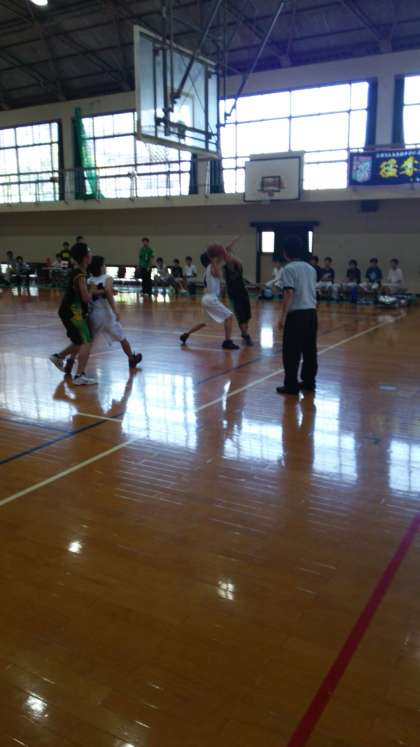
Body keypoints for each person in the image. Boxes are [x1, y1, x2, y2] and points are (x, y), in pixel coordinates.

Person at [49, 242, 101, 385]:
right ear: (85, 257)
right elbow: (85, 298)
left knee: (79, 342)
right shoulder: (79, 275)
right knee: (86, 341)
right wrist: (93, 290)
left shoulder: (79, 272)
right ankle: (79, 376)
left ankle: (58, 357)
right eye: (89, 252)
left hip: (70, 311)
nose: (91, 254)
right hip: (73, 312)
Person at [81, 255, 142, 371]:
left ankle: (75, 364)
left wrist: (101, 291)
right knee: (122, 338)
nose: (105, 266)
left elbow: (92, 294)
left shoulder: (89, 280)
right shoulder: (107, 278)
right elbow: (108, 290)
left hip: (94, 315)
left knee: (88, 343)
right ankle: (131, 358)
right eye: (104, 264)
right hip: (107, 314)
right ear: (100, 267)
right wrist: (115, 311)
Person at [276, 235, 317, 396]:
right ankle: (309, 382)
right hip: (311, 313)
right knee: (309, 350)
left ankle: (291, 385)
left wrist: (282, 317)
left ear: (285, 252)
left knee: (291, 352)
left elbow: (289, 293)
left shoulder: (289, 269)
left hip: (297, 315)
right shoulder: (311, 268)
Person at [180, 244, 239, 350]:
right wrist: (223, 251)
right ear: (211, 258)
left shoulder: (207, 270)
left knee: (204, 322)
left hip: (206, 299)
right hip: (210, 299)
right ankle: (227, 342)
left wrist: (227, 248)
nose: (217, 258)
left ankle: (186, 334)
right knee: (229, 316)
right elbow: (220, 263)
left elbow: (221, 257)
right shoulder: (212, 267)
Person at [224, 243, 253, 346]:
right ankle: (245, 335)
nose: (230, 258)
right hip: (234, 296)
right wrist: (226, 251)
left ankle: (244, 332)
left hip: (243, 293)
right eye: (228, 256)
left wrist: (229, 251)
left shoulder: (238, 267)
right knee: (241, 317)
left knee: (247, 316)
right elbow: (226, 260)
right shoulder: (225, 269)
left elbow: (239, 261)